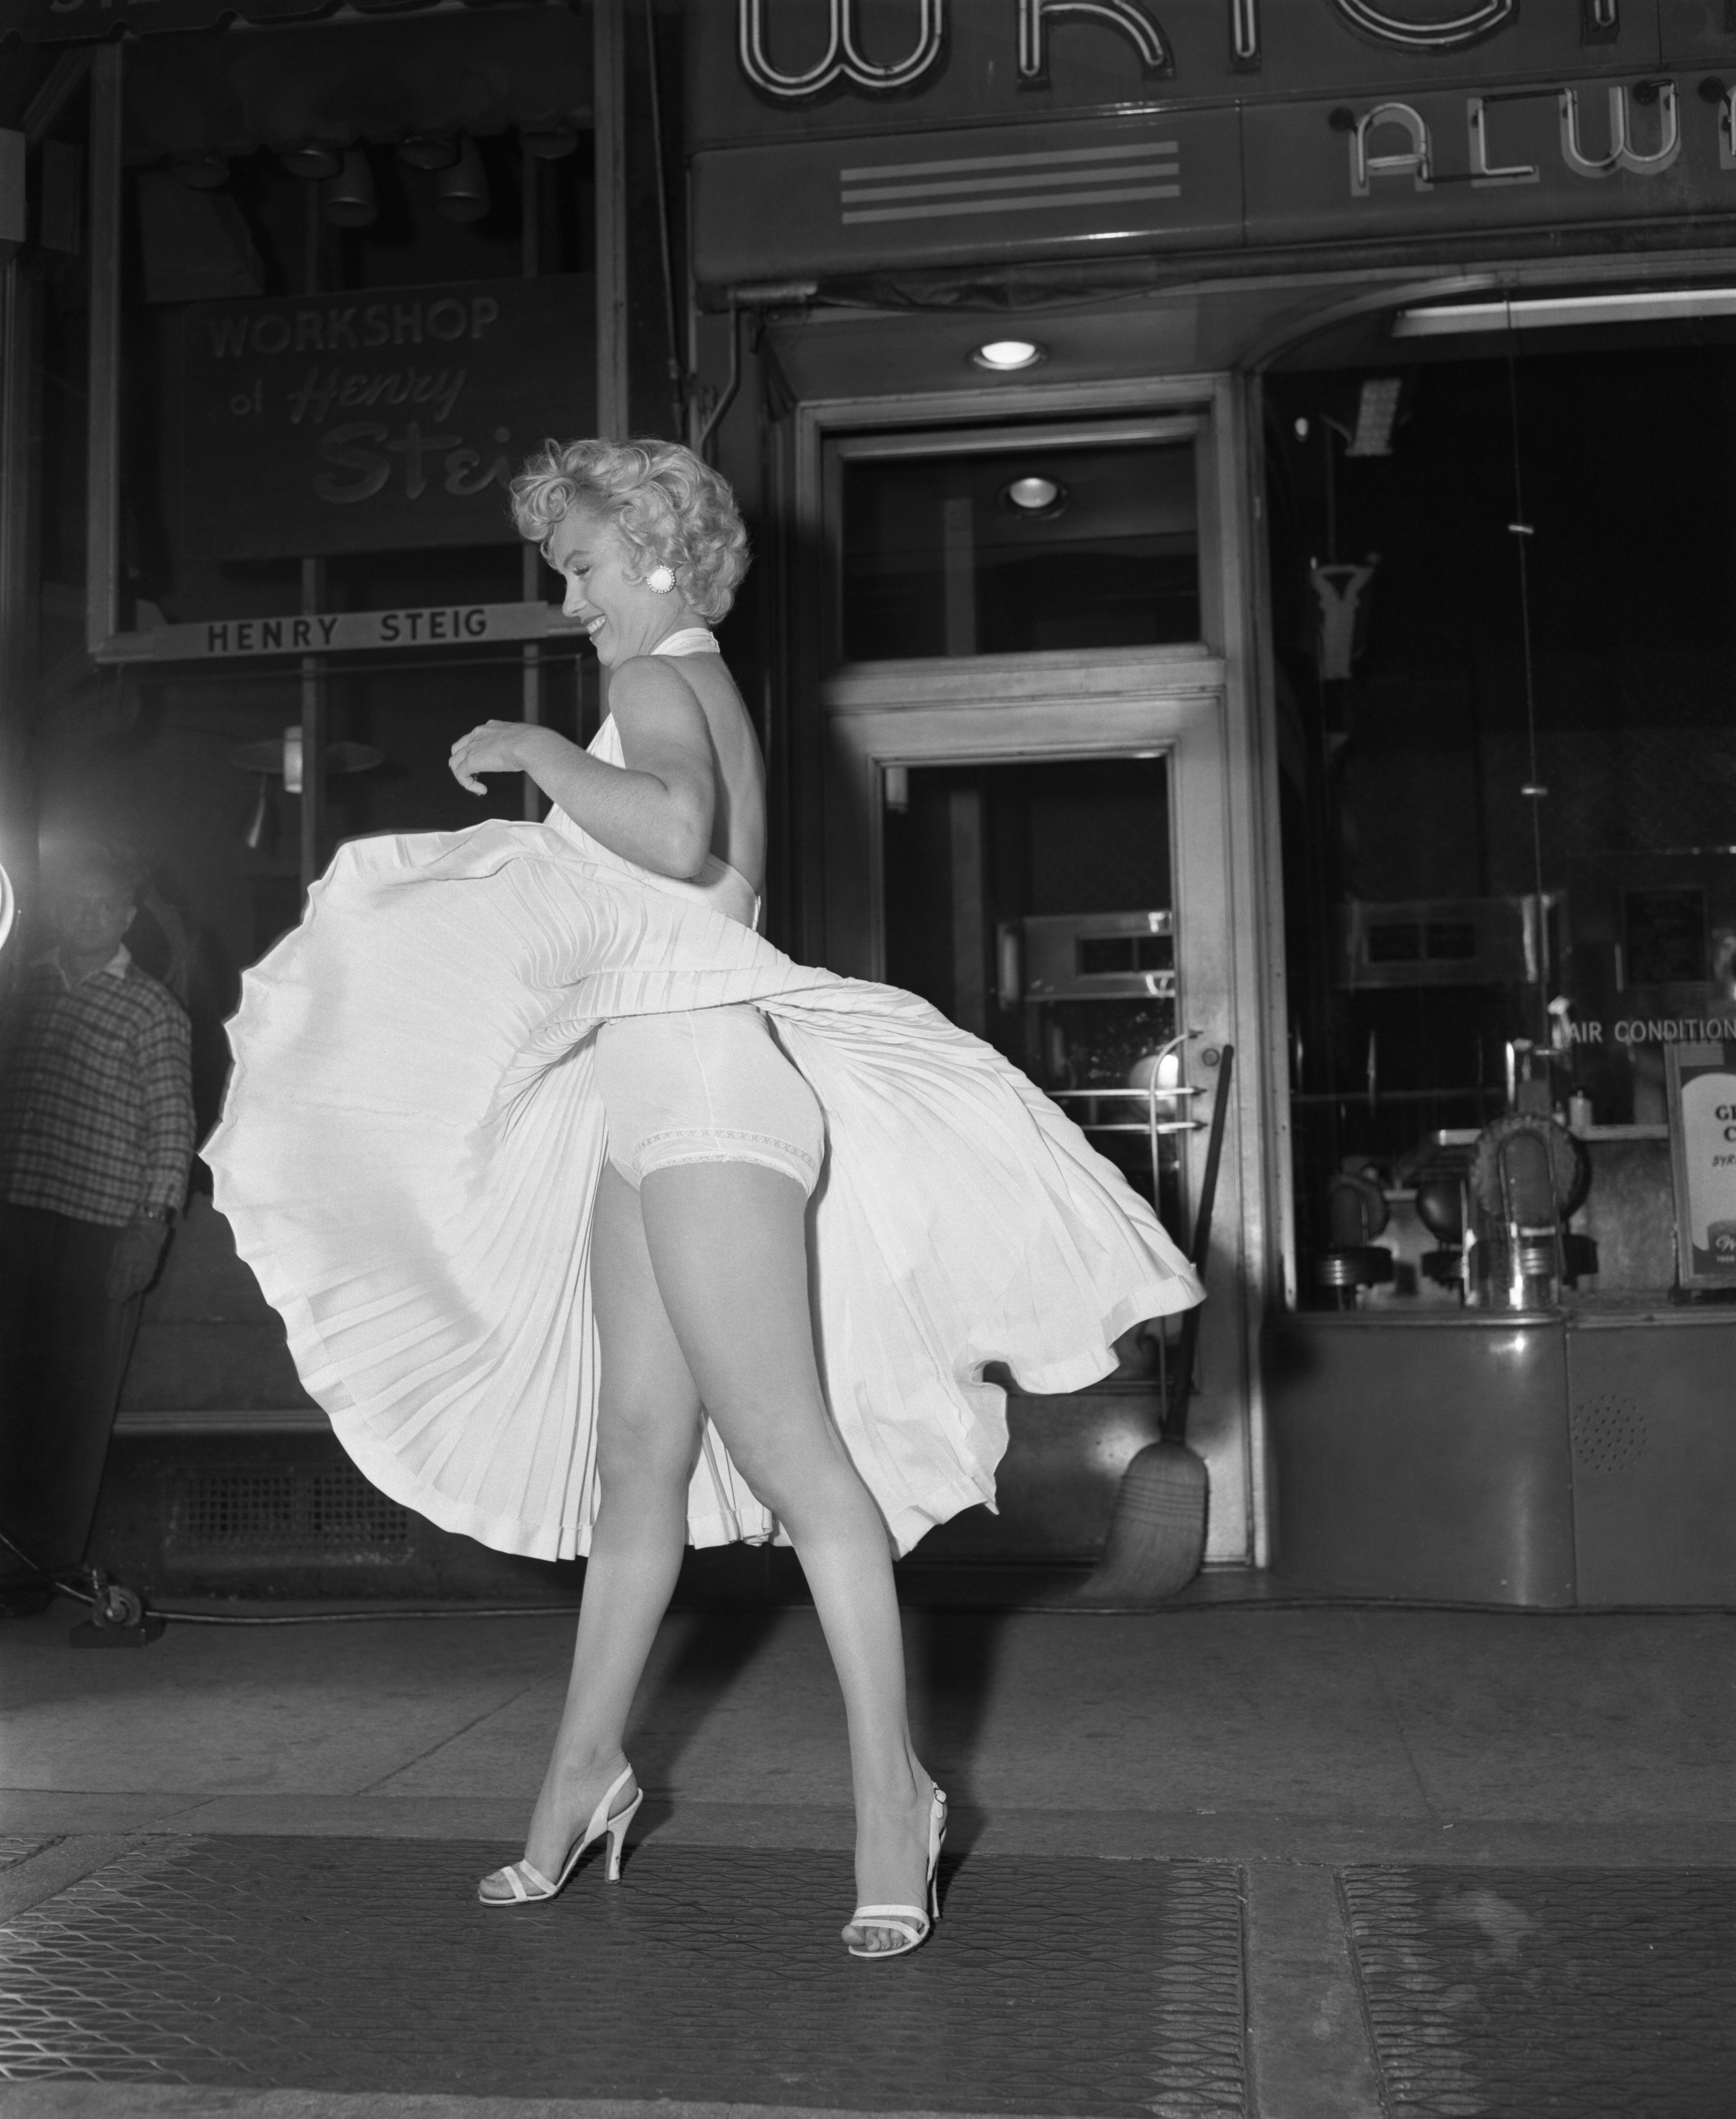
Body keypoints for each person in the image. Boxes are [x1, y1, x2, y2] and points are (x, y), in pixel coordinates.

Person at [206, 439, 1203, 1958]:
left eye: (586, 564)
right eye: (563, 564)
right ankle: (582, 1774)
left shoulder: (665, 681)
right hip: (647, 1100)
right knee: (635, 1459)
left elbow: (674, 835)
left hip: (711, 1107)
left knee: (799, 1467)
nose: (568, 591)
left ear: (660, 561)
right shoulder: (682, 679)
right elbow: (662, 894)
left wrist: (539, 757)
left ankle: (894, 1800)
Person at [0, 846, 194, 1604]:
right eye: (73, 901)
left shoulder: (152, 1009)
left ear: (126, 915)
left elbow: (173, 1127)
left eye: (102, 903)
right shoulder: (22, 987)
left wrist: (149, 1228)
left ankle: (35, 1574)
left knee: (68, 1412)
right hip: (14, 1214)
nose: (86, 915)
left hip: (101, 1229)